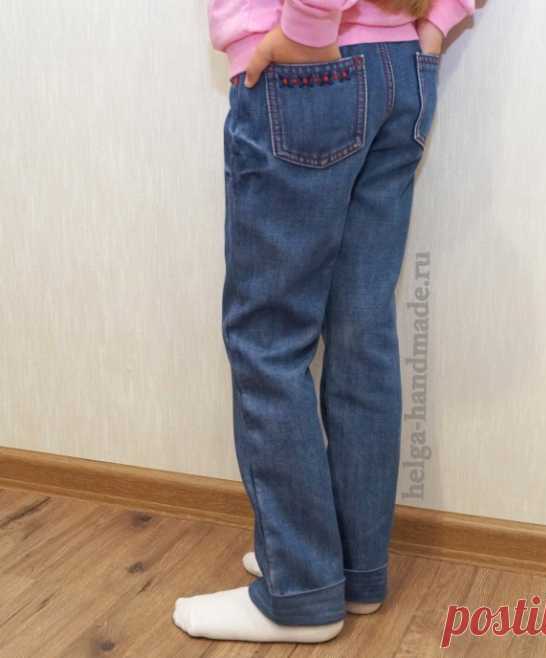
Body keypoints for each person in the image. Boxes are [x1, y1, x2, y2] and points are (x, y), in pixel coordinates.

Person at [173, 0, 476, 644]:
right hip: (399, 69)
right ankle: (353, 571)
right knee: (362, 334)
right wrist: (432, 26)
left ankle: (302, 592)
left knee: (269, 343)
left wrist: (307, 31)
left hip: (313, 75)